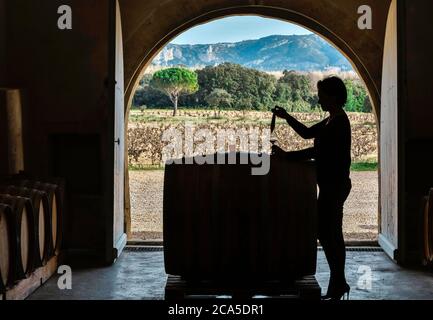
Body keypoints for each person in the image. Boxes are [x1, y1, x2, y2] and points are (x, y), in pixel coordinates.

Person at [271, 76, 352, 300]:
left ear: (333, 96)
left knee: (330, 234)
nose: (319, 100)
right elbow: (307, 134)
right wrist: (286, 116)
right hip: (331, 186)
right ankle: (338, 282)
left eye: (322, 96)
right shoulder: (331, 120)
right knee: (330, 234)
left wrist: (288, 156)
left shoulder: (338, 123)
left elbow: (317, 152)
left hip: (334, 187)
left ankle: (339, 283)